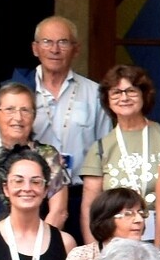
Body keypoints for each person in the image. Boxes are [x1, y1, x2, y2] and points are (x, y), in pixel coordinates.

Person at [22, 18, 110, 214]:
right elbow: (4, 147)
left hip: (81, 197)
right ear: (35, 48)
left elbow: (106, 152)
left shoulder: (94, 94)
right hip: (30, 196)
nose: (55, 49)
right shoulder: (20, 91)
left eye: (63, 42)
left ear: (76, 49)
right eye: (47, 42)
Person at [79, 64, 160, 239]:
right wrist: (94, 251)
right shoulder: (100, 148)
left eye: (131, 91)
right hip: (118, 243)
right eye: (116, 92)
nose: (124, 97)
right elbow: (90, 209)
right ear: (107, 99)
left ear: (144, 95)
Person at [0, 82, 72, 233]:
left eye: (25, 110)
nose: (18, 117)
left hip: (40, 248)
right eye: (10, 110)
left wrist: (40, 246)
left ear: (33, 116)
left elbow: (59, 211)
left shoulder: (48, 156)